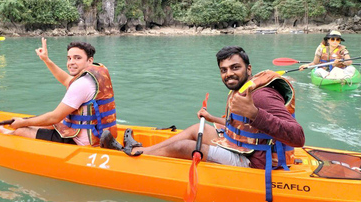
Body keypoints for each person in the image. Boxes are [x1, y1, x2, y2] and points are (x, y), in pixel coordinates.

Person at [101, 46, 304, 200]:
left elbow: (297, 137)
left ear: (248, 69)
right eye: (224, 70)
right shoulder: (242, 89)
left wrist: (254, 112)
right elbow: (244, 126)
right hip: (243, 147)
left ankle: (132, 157)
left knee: (185, 147)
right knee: (197, 129)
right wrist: (213, 119)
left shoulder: (262, 96)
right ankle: (142, 150)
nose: (229, 74)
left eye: (235, 68)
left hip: (255, 161)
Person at [0, 38, 117, 146]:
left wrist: (22, 123)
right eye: (69, 58)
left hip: (81, 140)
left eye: (77, 58)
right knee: (39, 123)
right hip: (98, 132)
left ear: (89, 60)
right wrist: (46, 59)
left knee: (23, 130)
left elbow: (54, 117)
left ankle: (10, 135)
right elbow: (66, 80)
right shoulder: (94, 76)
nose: (71, 62)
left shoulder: (82, 84)